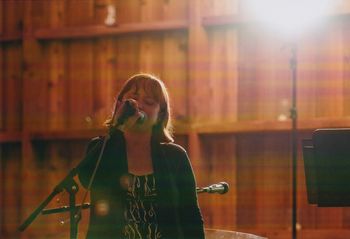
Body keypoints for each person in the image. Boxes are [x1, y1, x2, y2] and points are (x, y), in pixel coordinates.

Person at [77, 73, 205, 239]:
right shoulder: (102, 149)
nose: (139, 106)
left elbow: (191, 216)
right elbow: (86, 178)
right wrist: (118, 129)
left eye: (149, 102)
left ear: (160, 114)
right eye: (133, 100)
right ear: (120, 105)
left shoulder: (175, 157)